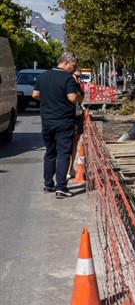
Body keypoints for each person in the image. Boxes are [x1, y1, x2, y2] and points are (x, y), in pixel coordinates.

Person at [32, 52, 80, 198]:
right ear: (66, 62)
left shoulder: (44, 76)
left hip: (47, 120)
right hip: (64, 121)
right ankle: (61, 187)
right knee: (63, 153)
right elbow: (72, 98)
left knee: (50, 152)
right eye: (73, 66)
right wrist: (80, 96)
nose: (74, 69)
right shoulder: (67, 78)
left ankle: (48, 184)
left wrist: (48, 101)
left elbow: (35, 95)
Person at [67, 69, 86, 179]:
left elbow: (80, 100)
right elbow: (77, 99)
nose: (78, 79)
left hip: (76, 116)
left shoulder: (77, 86)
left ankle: (69, 168)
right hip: (69, 117)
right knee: (68, 143)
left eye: (79, 77)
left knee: (74, 142)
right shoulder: (69, 84)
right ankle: (66, 169)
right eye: (76, 76)